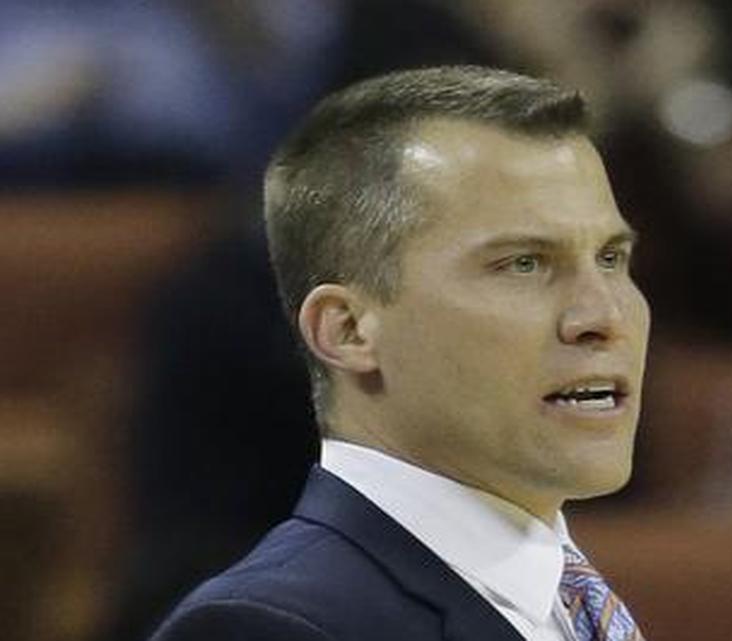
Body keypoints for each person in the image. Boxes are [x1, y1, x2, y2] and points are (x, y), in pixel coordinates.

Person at [148, 65, 651, 641]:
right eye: (524, 264)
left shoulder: (566, 603)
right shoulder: (273, 627)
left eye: (612, 259)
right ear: (348, 331)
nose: (604, 316)